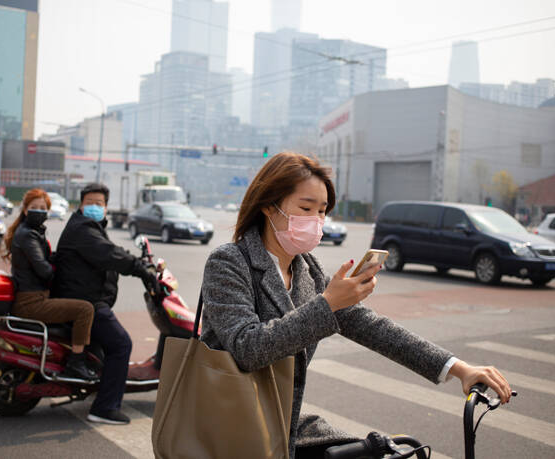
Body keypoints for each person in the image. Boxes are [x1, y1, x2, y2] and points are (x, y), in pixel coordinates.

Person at [200, 152, 513, 459]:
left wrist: (459, 369)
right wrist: (328, 303)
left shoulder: (308, 270)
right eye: (306, 208)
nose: (317, 220)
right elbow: (247, 347)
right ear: (270, 206)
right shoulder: (229, 262)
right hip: (227, 425)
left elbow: (372, 327)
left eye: (323, 211)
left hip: (280, 422)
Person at [52, 183, 159, 425]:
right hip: (85, 302)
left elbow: (111, 250)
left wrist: (139, 261)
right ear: (80, 204)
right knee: (121, 344)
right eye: (90, 202)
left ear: (106, 207)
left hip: (87, 298)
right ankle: (105, 408)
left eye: (99, 204)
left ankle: (98, 390)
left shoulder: (89, 227)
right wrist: (140, 269)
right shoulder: (83, 228)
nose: (94, 207)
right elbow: (108, 253)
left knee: (109, 345)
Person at [3, 188, 97, 380]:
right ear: (25, 210)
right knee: (85, 309)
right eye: (34, 207)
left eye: (43, 208)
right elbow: (44, 270)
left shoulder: (31, 232)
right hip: (32, 302)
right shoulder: (28, 235)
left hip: (33, 296)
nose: (39, 211)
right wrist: (60, 269)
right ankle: (76, 363)